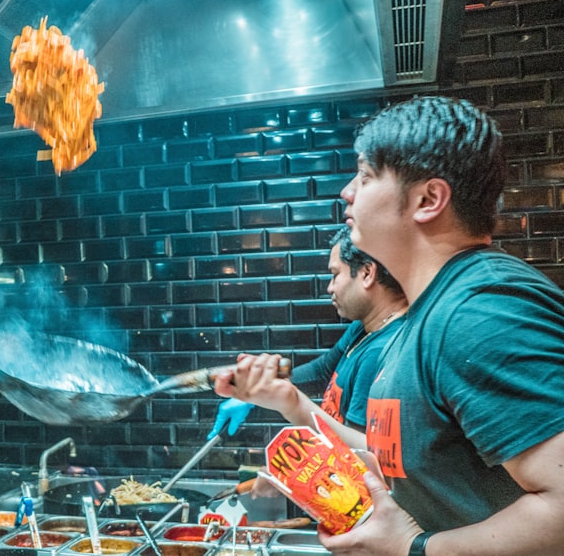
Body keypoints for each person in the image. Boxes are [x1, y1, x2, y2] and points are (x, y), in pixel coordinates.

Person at [215, 96, 564, 555]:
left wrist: (412, 548)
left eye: (364, 176)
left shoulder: (478, 311)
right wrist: (293, 405)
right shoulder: (429, 311)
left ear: (427, 199)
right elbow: (403, 456)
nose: (348, 192)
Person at [209, 225, 407, 442]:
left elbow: (362, 452)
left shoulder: (381, 351)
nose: (330, 287)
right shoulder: (363, 328)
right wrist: (258, 390)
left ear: (367, 273)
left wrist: (293, 404)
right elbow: (321, 371)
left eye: (335, 274)